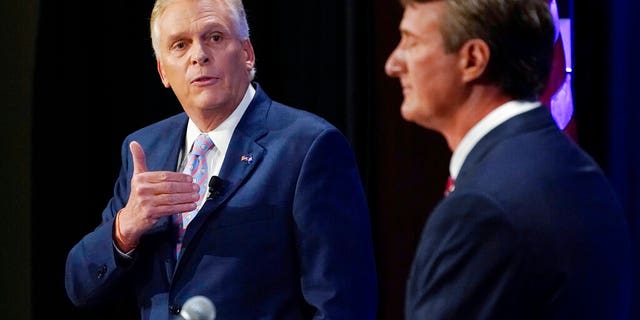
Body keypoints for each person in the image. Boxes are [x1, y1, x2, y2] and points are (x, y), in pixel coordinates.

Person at [65, 0, 378, 319]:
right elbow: (80, 286)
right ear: (163, 71)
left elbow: (342, 304)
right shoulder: (144, 150)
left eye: (214, 37)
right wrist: (125, 228)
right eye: (180, 44)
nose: (198, 55)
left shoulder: (308, 147)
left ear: (247, 53)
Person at [384, 0, 632, 319]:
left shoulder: (480, 209)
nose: (393, 63)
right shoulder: (569, 166)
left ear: (472, 59)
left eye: (411, 41)